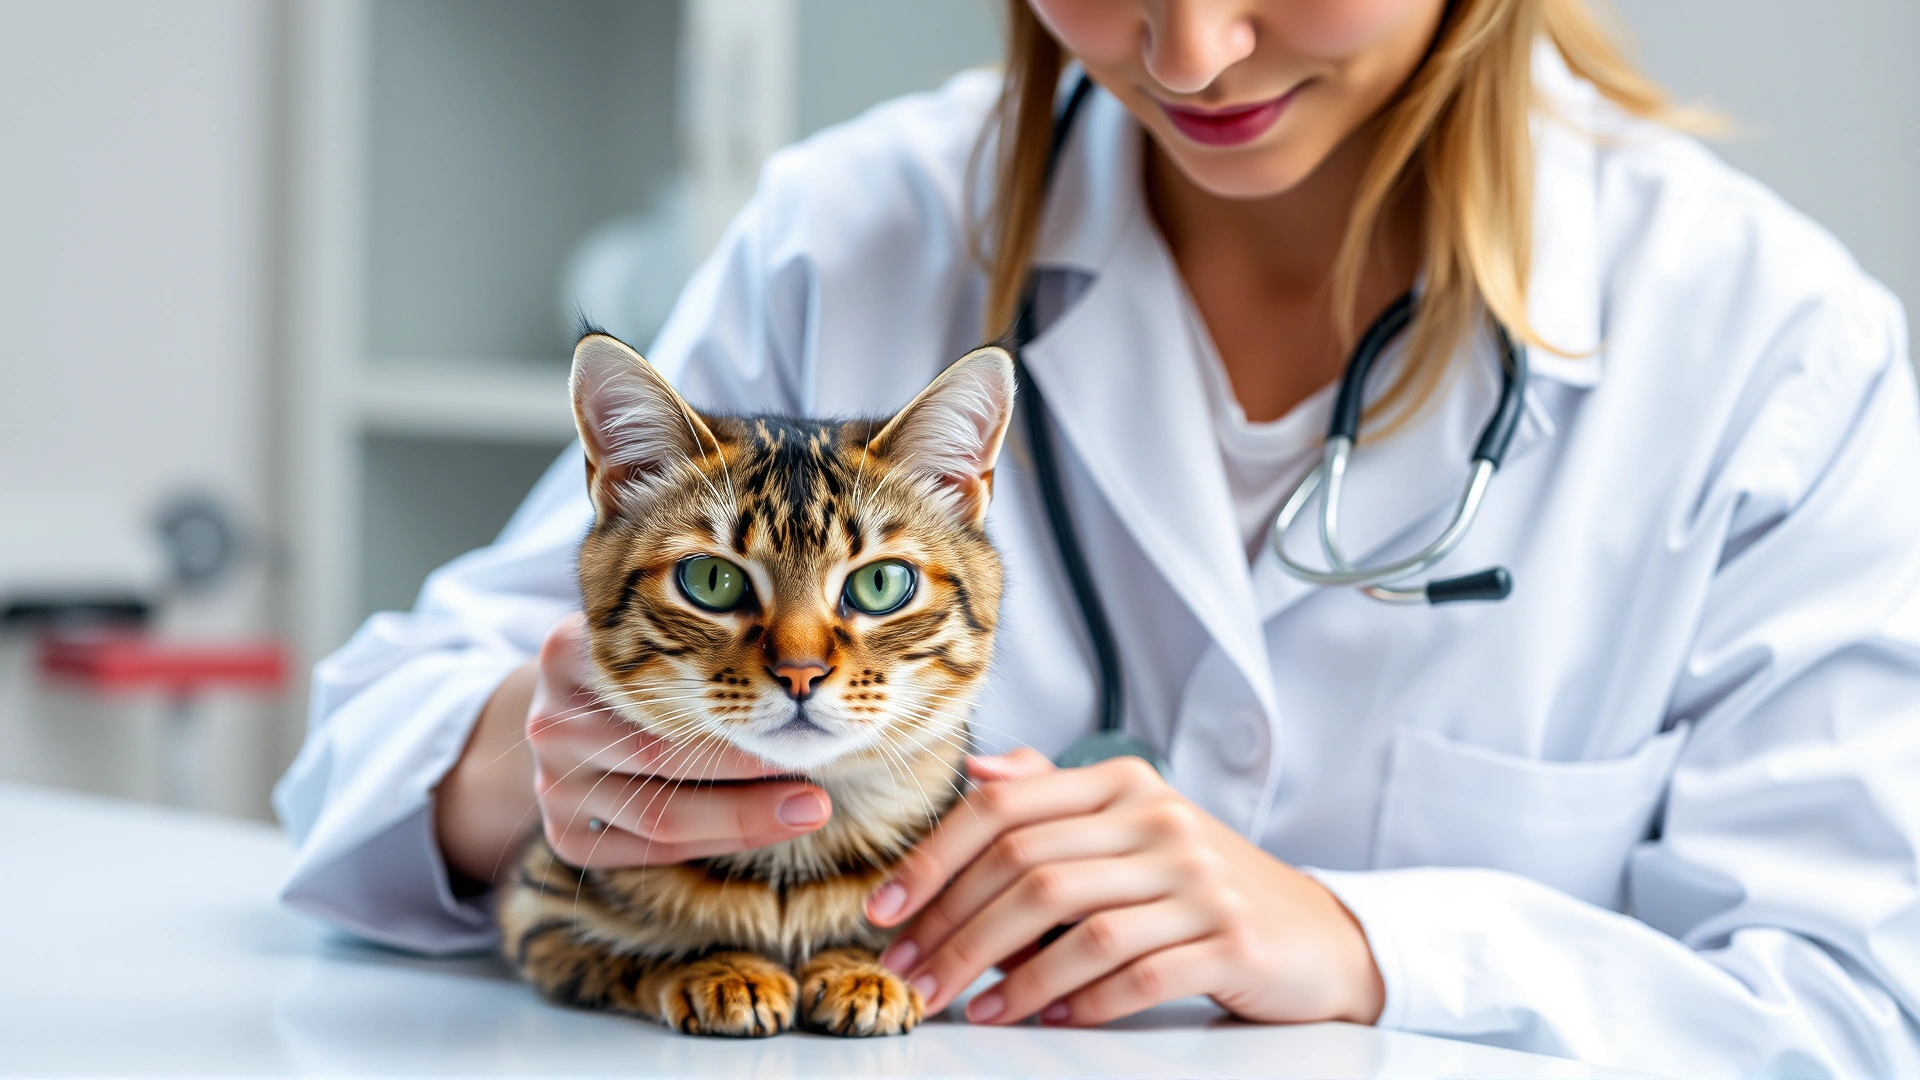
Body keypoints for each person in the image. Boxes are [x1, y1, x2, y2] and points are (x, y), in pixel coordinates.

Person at [274, 0, 1920, 1074]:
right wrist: (541, 759)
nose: (1189, 50)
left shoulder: (1767, 346)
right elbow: (364, 746)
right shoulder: (850, 235)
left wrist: (1359, 942)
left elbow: (1858, 1005)